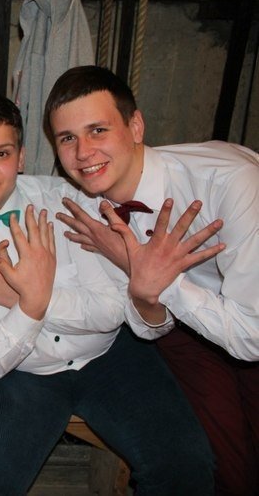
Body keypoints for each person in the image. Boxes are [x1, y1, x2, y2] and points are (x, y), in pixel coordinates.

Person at [0, 91, 214, 494]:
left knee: (187, 466)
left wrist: (22, 299)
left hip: (110, 355)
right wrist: (31, 305)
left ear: (21, 158)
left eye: (2, 153)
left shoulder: (69, 200)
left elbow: (114, 308)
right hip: (19, 374)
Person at [46, 65, 259, 495]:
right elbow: (146, 324)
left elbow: (251, 336)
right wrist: (145, 289)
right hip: (184, 328)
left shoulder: (229, 183)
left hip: (249, 320)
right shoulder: (85, 206)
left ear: (136, 126)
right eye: (67, 138)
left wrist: (141, 268)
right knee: (225, 467)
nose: (84, 152)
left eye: (98, 130)